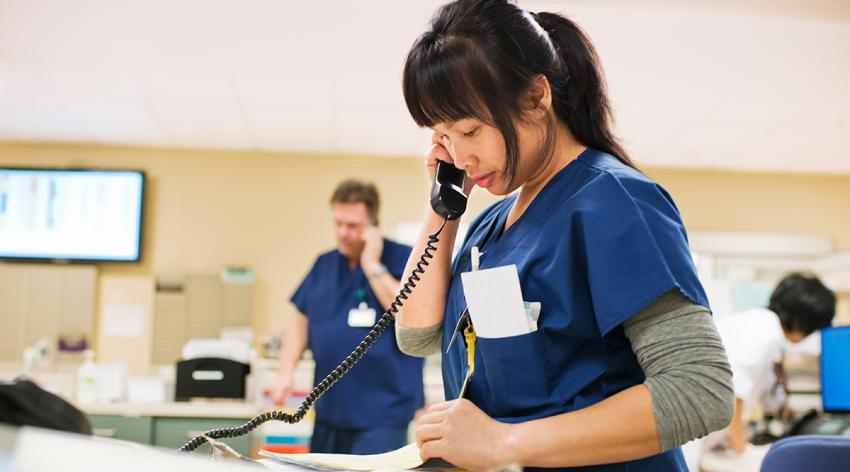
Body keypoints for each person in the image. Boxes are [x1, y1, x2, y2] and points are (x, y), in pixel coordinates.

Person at [393, 1, 735, 470]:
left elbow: (698, 390)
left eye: (470, 130)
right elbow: (416, 335)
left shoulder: (614, 203)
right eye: (444, 137)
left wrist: (504, 442)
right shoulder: (489, 229)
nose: (461, 156)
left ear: (536, 98)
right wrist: (444, 208)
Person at [268, 180, 424, 454]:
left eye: (353, 226)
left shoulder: (402, 258)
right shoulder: (324, 264)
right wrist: (285, 371)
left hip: (383, 414)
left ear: (374, 224)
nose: (342, 233)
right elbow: (300, 322)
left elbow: (409, 314)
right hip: (330, 409)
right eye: (338, 223)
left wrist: (371, 264)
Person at [682, 273, 837, 470]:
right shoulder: (765, 331)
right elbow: (733, 395)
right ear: (805, 322)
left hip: (700, 434)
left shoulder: (762, 326)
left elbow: (767, 390)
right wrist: (743, 451)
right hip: (691, 438)